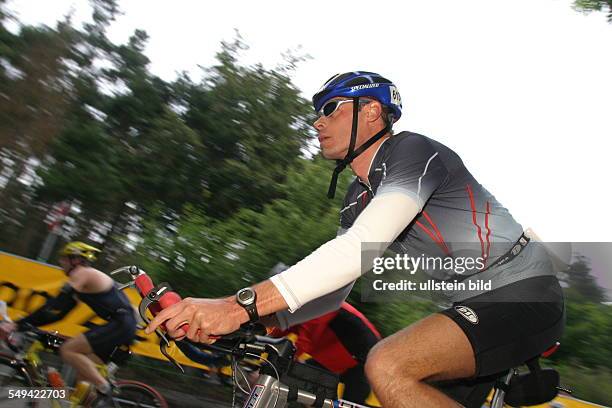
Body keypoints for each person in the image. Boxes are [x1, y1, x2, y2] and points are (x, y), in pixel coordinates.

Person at [146, 72, 565, 408]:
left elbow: (354, 249)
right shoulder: (357, 198)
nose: (317, 121)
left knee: (387, 365)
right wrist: (258, 321)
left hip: (521, 292)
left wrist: (235, 307)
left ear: (372, 112)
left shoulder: (412, 152)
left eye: (330, 108)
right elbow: (334, 292)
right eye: (317, 113)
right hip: (474, 306)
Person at [0, 241, 137, 405]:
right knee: (83, 384)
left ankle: (104, 387)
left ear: (76, 260)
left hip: (120, 324)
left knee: (68, 349)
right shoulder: (84, 279)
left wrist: (17, 324)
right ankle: (98, 397)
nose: (60, 263)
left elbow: (54, 305)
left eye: (64, 259)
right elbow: (59, 314)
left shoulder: (81, 273)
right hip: (123, 325)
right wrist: (29, 325)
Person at [268, 263, 381, 405]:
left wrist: (293, 355)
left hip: (364, 356)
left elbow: (309, 333)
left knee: (351, 403)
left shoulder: (320, 300)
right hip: (338, 357)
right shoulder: (297, 308)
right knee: (302, 380)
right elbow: (283, 329)